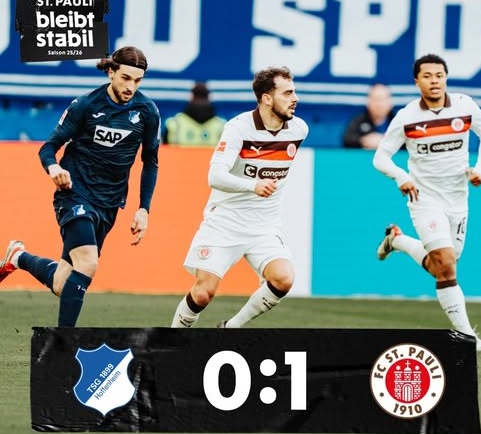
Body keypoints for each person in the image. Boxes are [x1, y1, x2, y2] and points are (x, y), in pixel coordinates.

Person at [0, 46, 160, 327]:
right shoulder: (86, 105)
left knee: (62, 283)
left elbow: (151, 162)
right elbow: (48, 148)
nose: (130, 87)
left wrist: (143, 209)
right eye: (125, 78)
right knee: (88, 263)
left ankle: (19, 256)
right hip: (75, 194)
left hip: (109, 202)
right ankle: (63, 344)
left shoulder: (147, 112)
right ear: (110, 72)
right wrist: (54, 168)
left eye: (137, 80)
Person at [373, 53, 481, 351]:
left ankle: (398, 241)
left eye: (439, 75)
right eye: (427, 76)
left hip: (457, 199)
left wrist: (480, 169)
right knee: (446, 265)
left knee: (443, 266)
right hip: (424, 199)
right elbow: (381, 157)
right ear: (417, 82)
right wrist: (401, 176)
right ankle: (467, 337)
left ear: (446, 78)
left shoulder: (464, 106)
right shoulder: (407, 116)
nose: (434, 81)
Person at [171, 66, 308, 328]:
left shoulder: (299, 129)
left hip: (264, 225)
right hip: (225, 221)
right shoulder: (238, 128)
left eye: (294, 92)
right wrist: (253, 185)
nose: (295, 98)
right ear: (267, 98)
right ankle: (171, 342)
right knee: (203, 294)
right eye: (288, 93)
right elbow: (215, 176)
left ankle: (230, 329)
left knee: (284, 278)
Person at [162, 81, 226, 146]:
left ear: (192, 97)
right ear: (208, 97)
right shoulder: (222, 126)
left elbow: (161, 150)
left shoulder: (175, 124)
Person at [343, 83, 394, 149]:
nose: (379, 104)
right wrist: (363, 141)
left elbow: (407, 139)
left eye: (382, 99)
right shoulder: (358, 120)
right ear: (368, 102)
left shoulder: (400, 121)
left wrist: (386, 141)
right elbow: (347, 139)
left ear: (390, 102)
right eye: (376, 99)